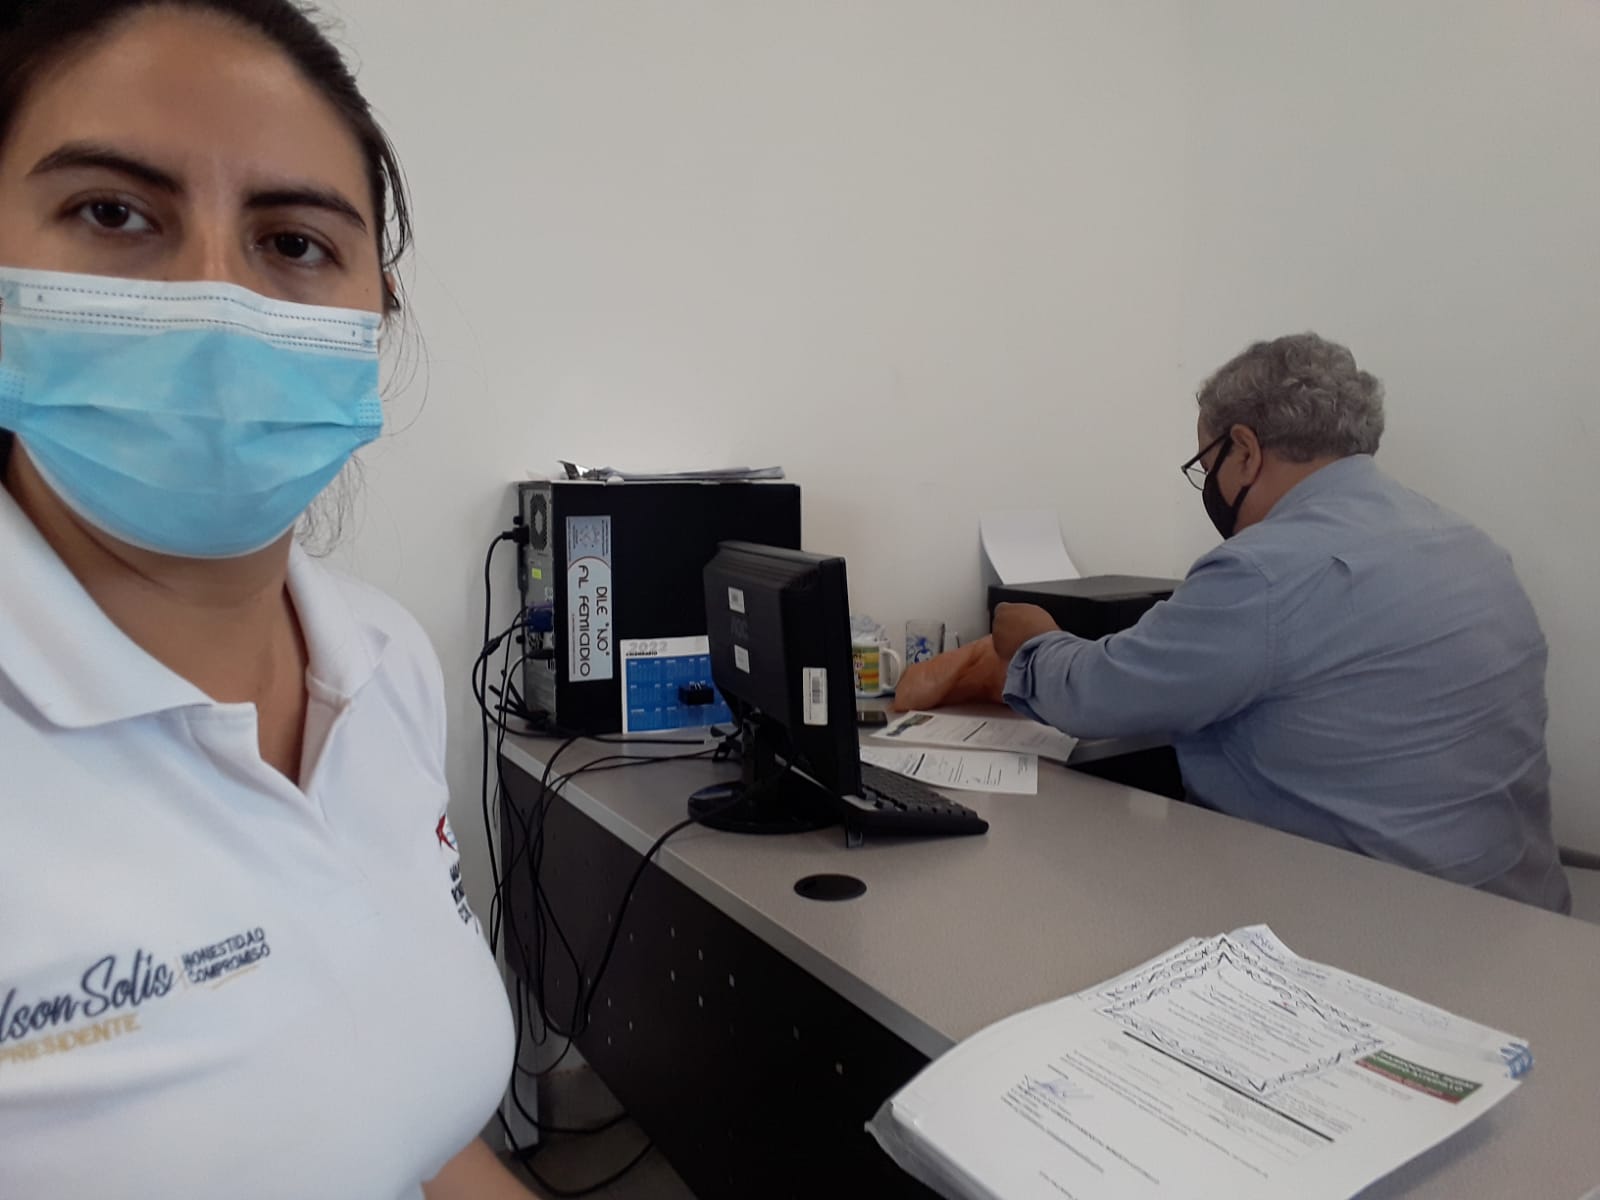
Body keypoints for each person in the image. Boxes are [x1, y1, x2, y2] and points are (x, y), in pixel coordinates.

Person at [0, 2, 547, 1196]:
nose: (215, 302)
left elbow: (409, 1132)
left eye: (294, 242)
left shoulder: (386, 661)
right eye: (113, 213)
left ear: (372, 315)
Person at [912, 333, 1571, 912]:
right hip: (1522, 926)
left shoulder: (1264, 570)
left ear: (1246, 451)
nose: (1210, 486)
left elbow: (1095, 697)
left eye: (1207, 466)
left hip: (1363, 937)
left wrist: (1034, 640)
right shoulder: (1472, 548)